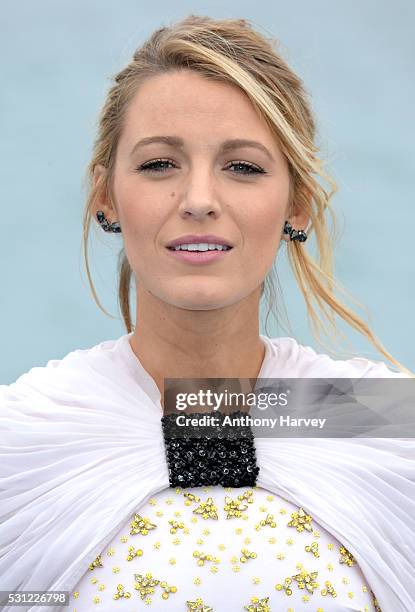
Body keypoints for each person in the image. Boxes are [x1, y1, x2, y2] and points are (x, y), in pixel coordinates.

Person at [1, 14, 414, 612]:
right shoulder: (22, 439)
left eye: (242, 167)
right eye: (158, 164)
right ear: (105, 195)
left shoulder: (383, 419)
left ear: (297, 204)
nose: (198, 201)